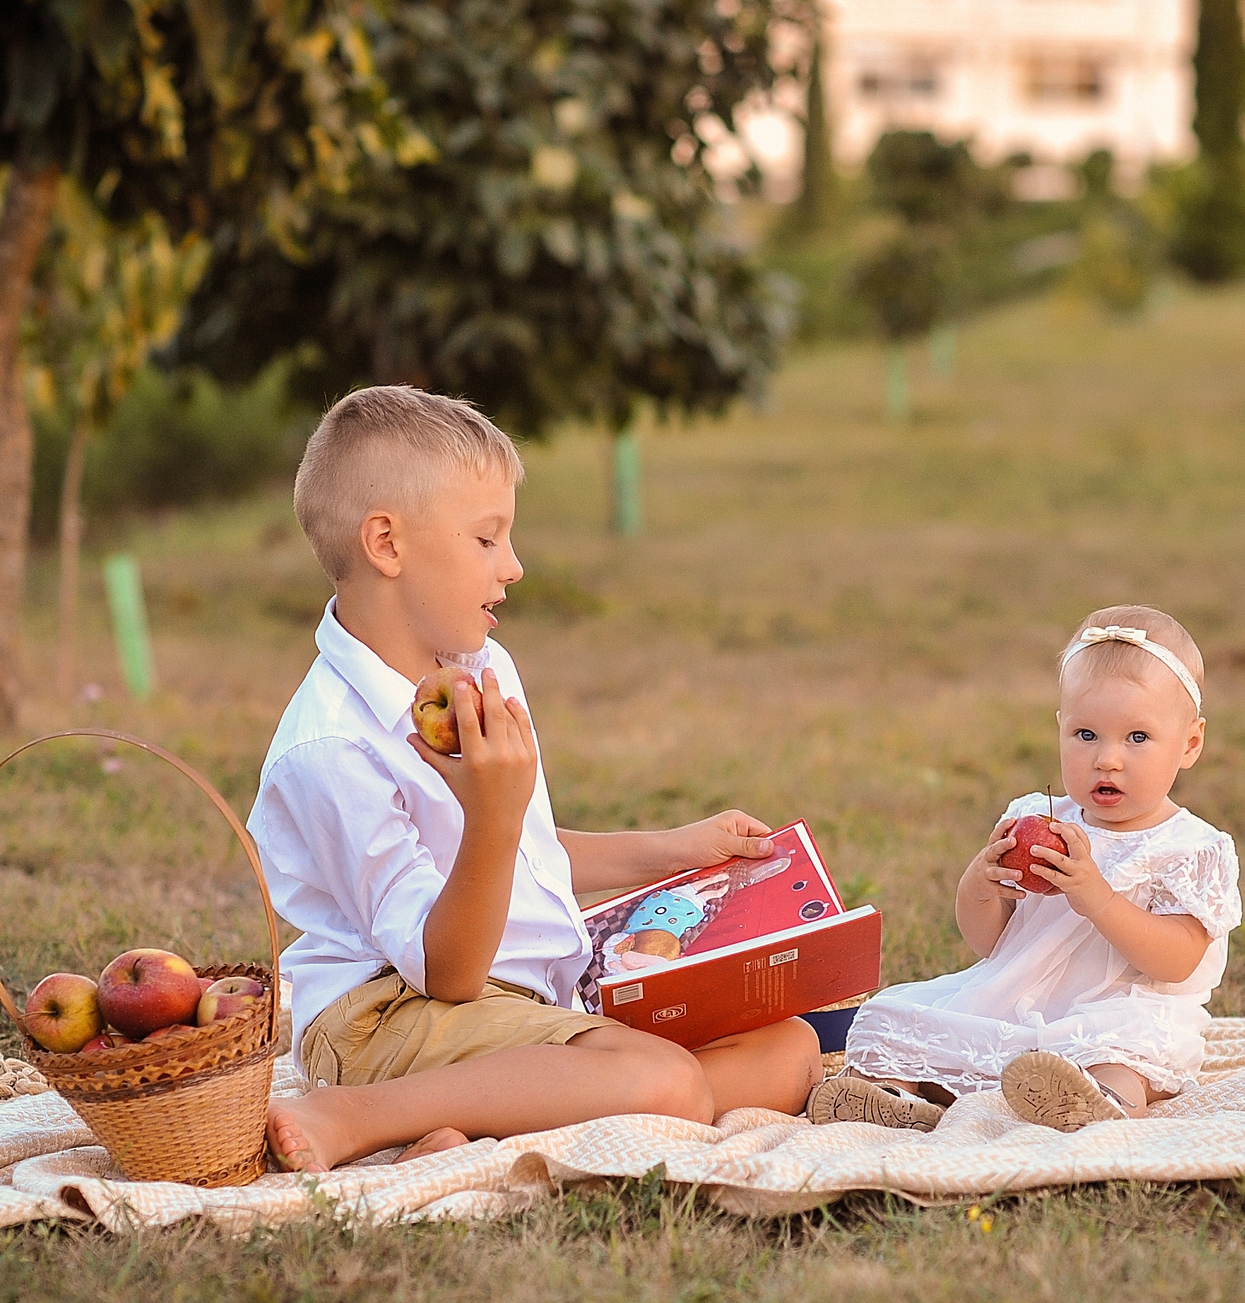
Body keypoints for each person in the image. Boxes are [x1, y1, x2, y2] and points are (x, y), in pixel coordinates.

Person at [251, 386, 821, 1172]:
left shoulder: (480, 667)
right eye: (487, 540)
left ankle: (475, 1121)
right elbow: (446, 973)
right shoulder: (330, 746)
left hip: (517, 1005)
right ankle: (357, 1114)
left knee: (786, 1050)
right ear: (386, 543)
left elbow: (528, 852)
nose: (514, 566)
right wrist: (490, 815)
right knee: (664, 1083)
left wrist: (680, 848)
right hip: (386, 1018)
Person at [811, 606, 1241, 1132]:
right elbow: (989, 943)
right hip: (1013, 997)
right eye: (1086, 735)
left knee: (1125, 1055)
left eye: (1137, 738)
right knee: (895, 1018)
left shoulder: (1190, 846)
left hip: (1119, 1010)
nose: (1107, 759)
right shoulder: (1035, 819)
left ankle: (1097, 1100)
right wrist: (981, 886)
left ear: (1190, 743)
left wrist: (1099, 900)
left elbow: (1176, 961)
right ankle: (895, 1096)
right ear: (1061, 729)